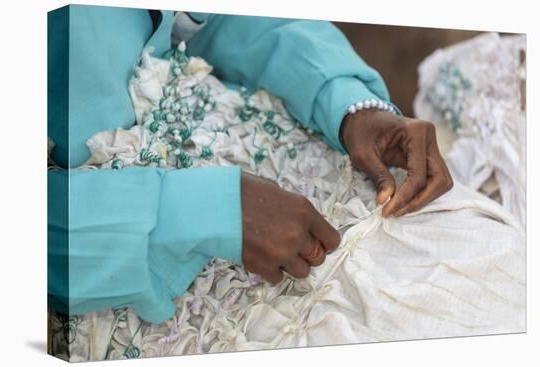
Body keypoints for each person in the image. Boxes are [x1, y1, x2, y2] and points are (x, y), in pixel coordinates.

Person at [48, 5, 453, 324]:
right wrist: (203, 213)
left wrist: (348, 104)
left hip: (236, 127)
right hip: (104, 255)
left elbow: (229, 20)